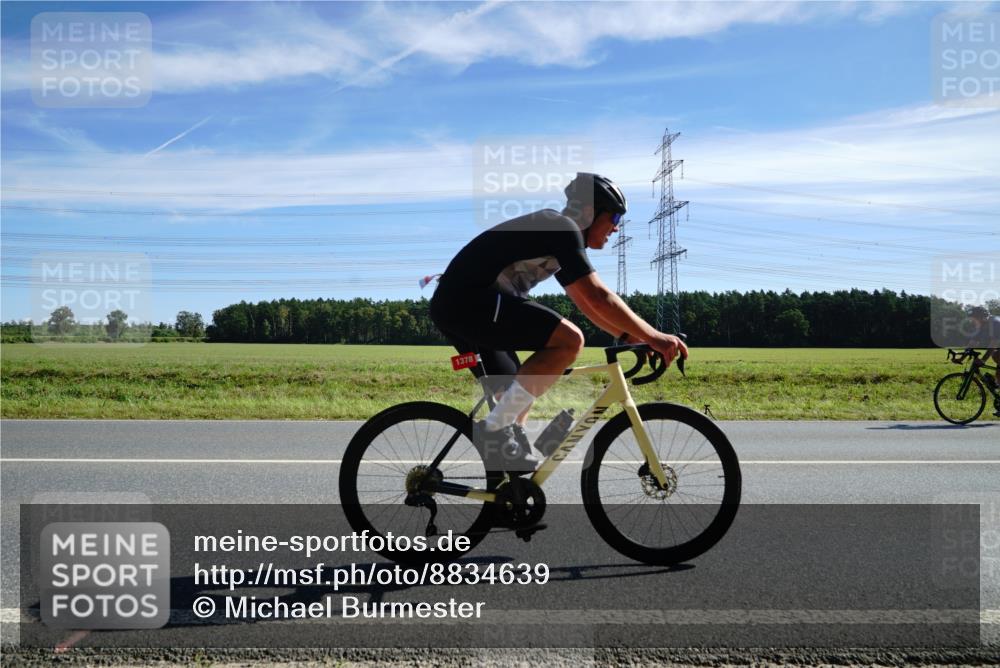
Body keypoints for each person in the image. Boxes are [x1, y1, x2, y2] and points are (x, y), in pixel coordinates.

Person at [429, 172, 687, 472]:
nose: (617, 227)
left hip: (467, 306)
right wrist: (655, 336)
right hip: (468, 302)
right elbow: (598, 296)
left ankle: (510, 496)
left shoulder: (558, 234)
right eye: (615, 216)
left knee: (517, 396)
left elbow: (585, 301)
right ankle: (494, 431)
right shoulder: (561, 228)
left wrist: (627, 336)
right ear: (590, 212)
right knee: (569, 340)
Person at [969, 306, 1000, 410]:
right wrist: (960, 357)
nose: (973, 321)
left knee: (996, 354)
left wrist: (983, 360)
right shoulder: (982, 326)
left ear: (982, 317)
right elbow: (973, 342)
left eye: (974, 319)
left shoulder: (995, 323)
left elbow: (994, 343)